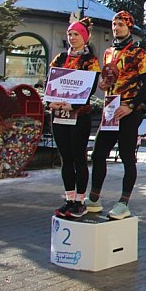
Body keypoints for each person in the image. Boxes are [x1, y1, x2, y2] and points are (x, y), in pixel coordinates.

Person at [84, 11, 146, 219]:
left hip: (128, 111)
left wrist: (131, 105)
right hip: (110, 109)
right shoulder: (108, 52)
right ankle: (94, 199)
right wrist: (104, 84)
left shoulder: (138, 53)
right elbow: (108, 79)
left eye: (121, 24)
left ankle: (124, 202)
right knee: (98, 154)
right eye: (114, 24)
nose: (116, 28)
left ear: (129, 27)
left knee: (126, 157)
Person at [48, 18, 101, 218]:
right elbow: (49, 81)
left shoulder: (90, 60)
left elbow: (91, 86)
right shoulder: (60, 58)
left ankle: (80, 200)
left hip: (79, 115)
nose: (72, 38)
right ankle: (69, 199)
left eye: (76, 34)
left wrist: (74, 104)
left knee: (79, 157)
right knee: (66, 158)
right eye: (70, 34)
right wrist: (50, 102)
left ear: (84, 37)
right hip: (59, 114)